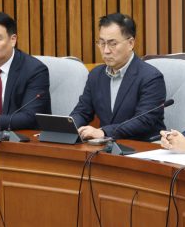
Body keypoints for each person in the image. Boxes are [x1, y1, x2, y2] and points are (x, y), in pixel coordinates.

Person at [70, 13, 166, 141]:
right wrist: (69, 127)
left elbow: (143, 121)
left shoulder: (151, 77)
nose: (106, 51)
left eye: (112, 44)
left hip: (142, 148)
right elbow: (82, 111)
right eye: (102, 43)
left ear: (131, 43)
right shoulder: (96, 75)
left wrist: (104, 131)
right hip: (107, 148)